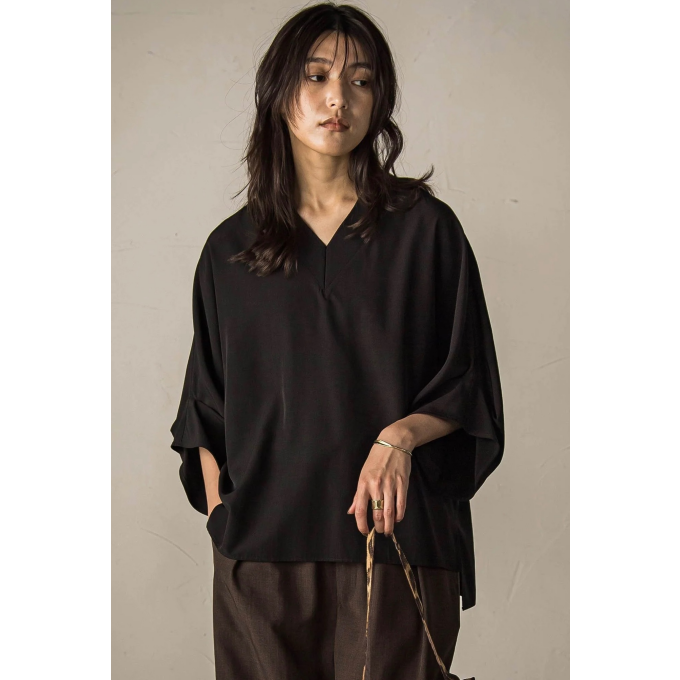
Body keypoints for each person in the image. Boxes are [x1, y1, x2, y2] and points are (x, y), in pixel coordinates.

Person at [170, 4, 504, 679]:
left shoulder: (426, 233)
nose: (338, 99)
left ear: (379, 101)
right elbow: (205, 409)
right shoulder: (230, 252)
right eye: (317, 76)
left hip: (397, 542)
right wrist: (224, 523)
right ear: (278, 91)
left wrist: (398, 439)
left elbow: (468, 383)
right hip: (262, 559)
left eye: (361, 81)